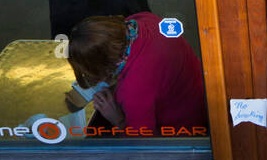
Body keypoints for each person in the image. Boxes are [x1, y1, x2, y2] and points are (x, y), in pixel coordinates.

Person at [65, 12, 207, 132]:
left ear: (106, 66)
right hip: (201, 89)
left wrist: (118, 119)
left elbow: (142, 143)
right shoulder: (143, 19)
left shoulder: (133, 89)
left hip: (185, 130)